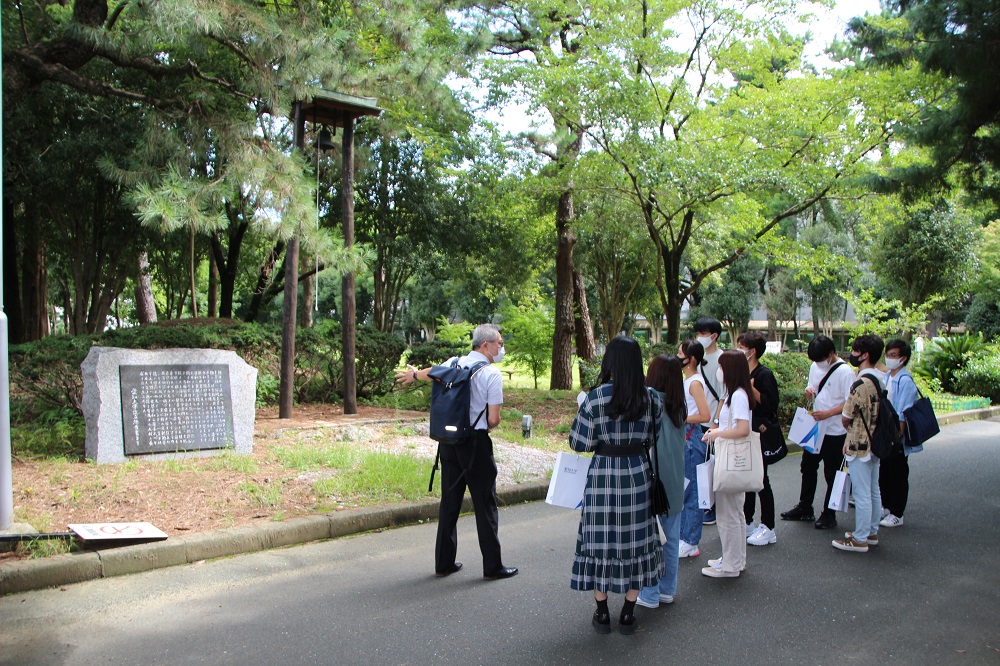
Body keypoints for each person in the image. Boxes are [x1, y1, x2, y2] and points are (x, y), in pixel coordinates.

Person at [396, 324, 518, 580]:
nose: (501, 348)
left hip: (449, 441)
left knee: (450, 502)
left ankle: (444, 563)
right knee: (485, 504)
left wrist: (415, 374)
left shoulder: (454, 361)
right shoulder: (491, 374)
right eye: (499, 343)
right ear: (485, 345)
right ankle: (493, 567)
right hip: (476, 443)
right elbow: (493, 419)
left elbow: (435, 372)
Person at [569, 336, 664, 635]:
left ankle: (602, 613)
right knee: (636, 543)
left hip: (603, 478)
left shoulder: (595, 398)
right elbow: (654, 436)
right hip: (637, 474)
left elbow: (579, 443)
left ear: (609, 361)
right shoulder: (651, 399)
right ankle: (627, 614)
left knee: (600, 542)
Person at [780, 335, 855, 530]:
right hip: (815, 427)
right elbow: (814, 386)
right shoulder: (816, 366)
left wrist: (829, 413)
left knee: (831, 473)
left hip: (835, 430)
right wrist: (808, 391)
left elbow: (851, 402)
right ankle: (805, 507)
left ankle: (829, 513)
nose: (818, 363)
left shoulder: (845, 372)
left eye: (821, 359)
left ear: (831, 354)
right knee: (807, 467)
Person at [636, 355, 687, 610]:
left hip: (653, 480)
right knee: (672, 537)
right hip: (675, 479)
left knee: (651, 539)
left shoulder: (649, 401)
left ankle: (649, 593)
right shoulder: (679, 404)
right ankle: (667, 589)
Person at [700, 349, 756, 578]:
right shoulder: (738, 393)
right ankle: (734, 558)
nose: (719, 371)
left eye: (722, 367)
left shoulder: (739, 396)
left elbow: (743, 429)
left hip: (731, 461)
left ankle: (731, 564)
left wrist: (717, 434)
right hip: (733, 459)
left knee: (728, 515)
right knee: (734, 513)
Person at [833, 334, 885, 552]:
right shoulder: (880, 379)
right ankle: (871, 531)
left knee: (862, 493)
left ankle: (860, 538)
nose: (852, 355)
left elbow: (846, 415)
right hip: (876, 442)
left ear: (865, 355)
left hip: (859, 443)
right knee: (873, 489)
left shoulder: (861, 383)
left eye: (855, 351)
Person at [738, 332, 780, 547]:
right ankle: (748, 520)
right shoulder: (743, 372)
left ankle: (768, 526)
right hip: (747, 432)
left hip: (760, 433)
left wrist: (749, 385)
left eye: (741, 346)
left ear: (752, 351)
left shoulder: (764, 374)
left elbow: (770, 404)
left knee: (762, 480)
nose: (738, 350)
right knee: (748, 479)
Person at [879, 338, 921, 528]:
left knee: (897, 474)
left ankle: (897, 512)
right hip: (887, 434)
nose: (889, 358)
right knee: (884, 473)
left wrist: (897, 438)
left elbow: (904, 412)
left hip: (896, 436)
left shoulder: (905, 381)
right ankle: (887, 506)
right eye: (888, 355)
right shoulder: (887, 377)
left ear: (903, 359)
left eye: (893, 355)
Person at [677, 339, 711, 558]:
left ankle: (690, 541)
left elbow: (705, 415)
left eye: (681, 352)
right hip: (687, 438)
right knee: (686, 489)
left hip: (692, 438)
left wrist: (680, 417)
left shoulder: (694, 383)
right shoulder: (688, 380)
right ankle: (684, 538)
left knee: (692, 492)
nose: (677, 355)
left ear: (691, 358)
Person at [694, 317, 725, 525]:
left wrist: (715, 421)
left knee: (713, 465)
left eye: (703, 334)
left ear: (714, 336)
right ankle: (704, 503)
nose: (699, 337)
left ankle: (713, 506)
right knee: (700, 465)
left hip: (713, 423)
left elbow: (724, 394)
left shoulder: (723, 359)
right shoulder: (696, 357)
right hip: (697, 420)